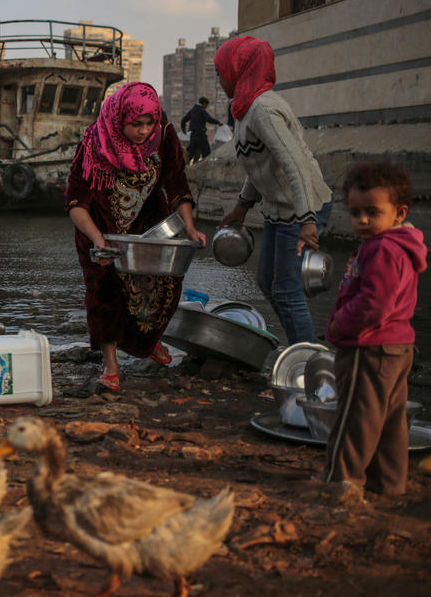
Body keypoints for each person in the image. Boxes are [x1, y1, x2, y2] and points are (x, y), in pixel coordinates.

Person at [65, 82, 207, 392]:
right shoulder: (94, 143)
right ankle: (111, 365)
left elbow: (177, 184)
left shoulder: (164, 135)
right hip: (99, 226)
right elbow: (75, 202)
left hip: (149, 221)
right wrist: (97, 239)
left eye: (148, 124)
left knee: (164, 283)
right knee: (105, 292)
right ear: (119, 120)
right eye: (135, 124)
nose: (143, 131)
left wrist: (191, 227)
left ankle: (146, 342)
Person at [214, 35, 334, 345]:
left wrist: (308, 220)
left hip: (302, 207)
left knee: (287, 289)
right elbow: (259, 166)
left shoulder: (263, 110)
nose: (220, 78)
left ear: (239, 71)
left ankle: (305, 364)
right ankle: (298, 347)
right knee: (267, 282)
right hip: (279, 210)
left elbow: (293, 164)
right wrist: (242, 206)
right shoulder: (244, 110)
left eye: (222, 71)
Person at [321, 162, 426, 499]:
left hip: (369, 349)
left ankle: (341, 482)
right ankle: (389, 484)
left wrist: (339, 324)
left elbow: (374, 305)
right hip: (398, 347)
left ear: (399, 212)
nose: (362, 220)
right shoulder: (401, 247)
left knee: (356, 418)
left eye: (372, 212)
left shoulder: (381, 249)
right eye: (355, 212)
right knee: (391, 421)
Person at [180, 96, 222, 163]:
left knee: (190, 154)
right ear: (204, 103)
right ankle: (206, 168)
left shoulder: (192, 110)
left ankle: (186, 166)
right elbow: (209, 119)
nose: (206, 107)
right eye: (206, 105)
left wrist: (184, 130)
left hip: (193, 135)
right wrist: (218, 123)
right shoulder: (202, 110)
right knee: (207, 153)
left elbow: (183, 120)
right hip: (201, 135)